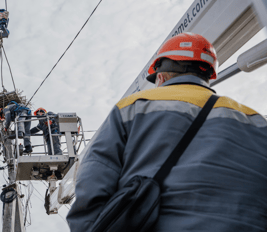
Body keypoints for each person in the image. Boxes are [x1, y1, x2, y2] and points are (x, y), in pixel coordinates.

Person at [66, 33, 267, 231]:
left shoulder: (132, 107)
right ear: (207, 75)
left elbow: (93, 185)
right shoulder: (256, 120)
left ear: (160, 76)